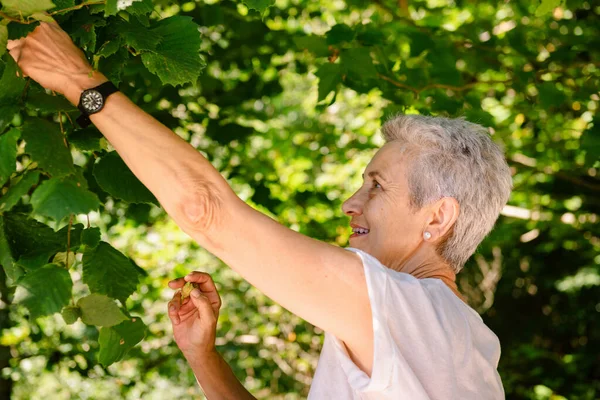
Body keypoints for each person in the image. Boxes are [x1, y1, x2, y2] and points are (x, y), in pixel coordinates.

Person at [7, 21, 511, 399]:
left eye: (377, 187)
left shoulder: (412, 311)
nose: (349, 203)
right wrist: (205, 358)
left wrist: (78, 81)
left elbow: (207, 212)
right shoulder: (463, 344)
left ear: (438, 218)